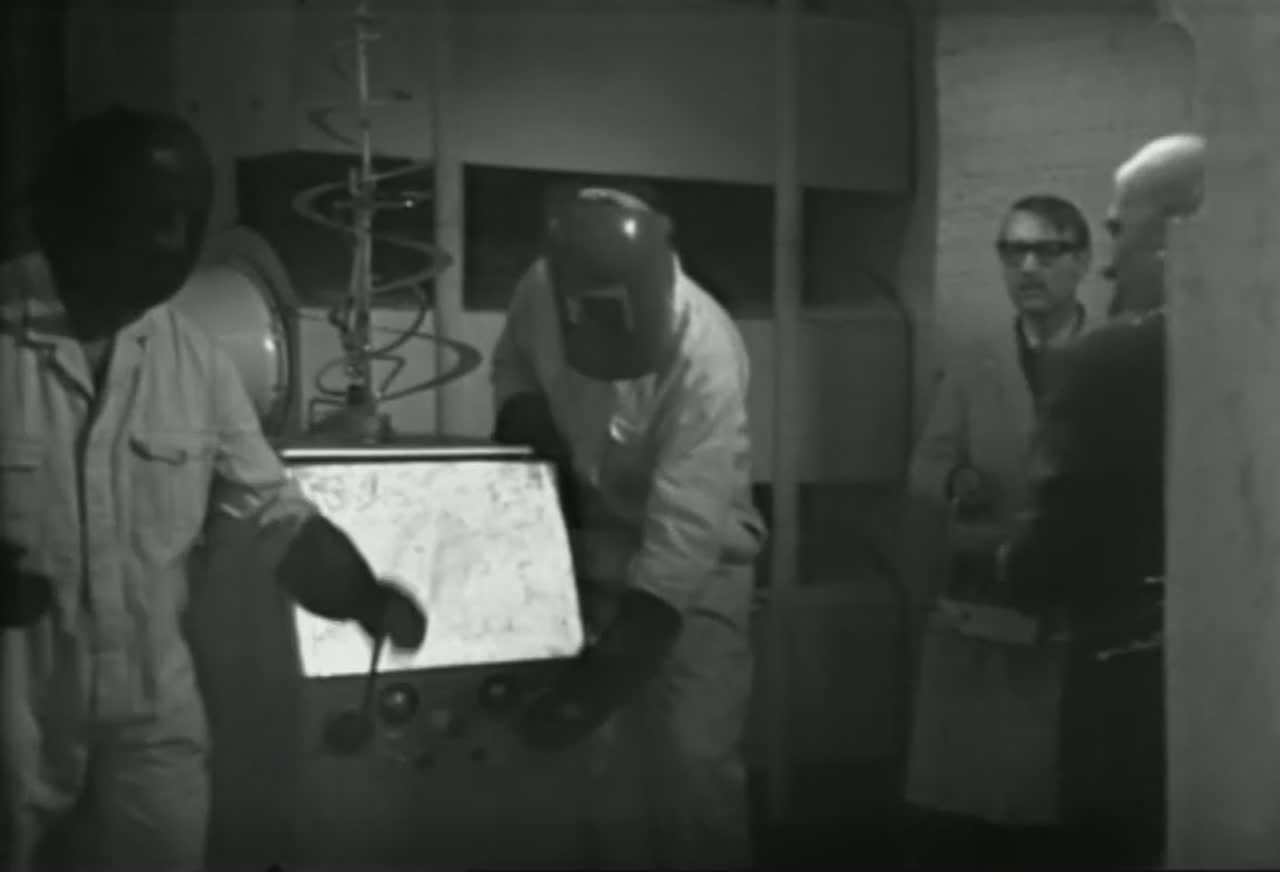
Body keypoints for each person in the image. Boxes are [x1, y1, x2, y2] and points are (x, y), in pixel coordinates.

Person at [0, 105, 428, 872]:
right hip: (14, 719)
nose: (172, 242)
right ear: (70, 210)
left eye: (189, 220)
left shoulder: (193, 362)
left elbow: (275, 515)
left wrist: (363, 595)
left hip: (150, 723)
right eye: (148, 213)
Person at [489, 185, 767, 870]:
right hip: (592, 547)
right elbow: (514, 364)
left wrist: (583, 697)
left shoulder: (706, 355)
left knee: (693, 765)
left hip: (700, 574)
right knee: (603, 777)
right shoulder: (540, 289)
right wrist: (533, 438)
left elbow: (679, 552)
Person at [996, 133, 1208, 868]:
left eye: (1121, 230)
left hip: (1126, 675)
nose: (1113, 262)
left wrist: (1013, 563)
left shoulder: (1111, 362)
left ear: (1178, 230)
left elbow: (1043, 556)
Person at [902, 195, 1096, 870]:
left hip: (1069, 605)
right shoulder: (976, 363)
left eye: (1047, 250)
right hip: (982, 600)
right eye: (1014, 252)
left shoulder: (1110, 360)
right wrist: (956, 480)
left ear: (1082, 260)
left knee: (1054, 794)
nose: (1028, 267)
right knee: (972, 801)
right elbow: (924, 467)